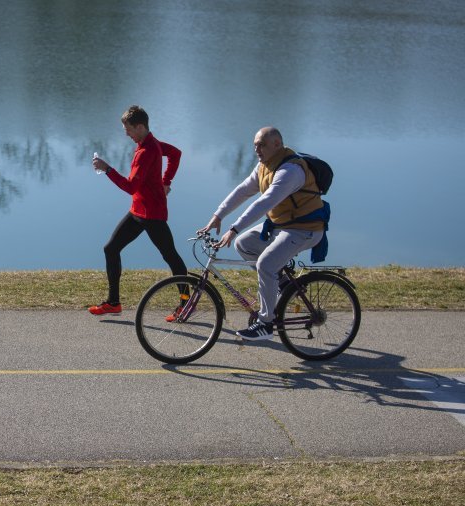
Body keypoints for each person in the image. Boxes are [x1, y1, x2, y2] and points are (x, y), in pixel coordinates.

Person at [200, 126, 326, 341]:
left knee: (265, 264)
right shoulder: (264, 165)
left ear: (277, 144)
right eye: (255, 145)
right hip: (282, 224)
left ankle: (265, 324)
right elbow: (243, 190)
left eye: (262, 145)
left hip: (305, 229)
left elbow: (264, 202)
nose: (257, 149)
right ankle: (283, 286)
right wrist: (219, 215)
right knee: (244, 244)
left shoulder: (291, 171)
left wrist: (234, 227)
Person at [89, 105, 187, 316]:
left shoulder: (148, 150)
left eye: (129, 130)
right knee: (111, 249)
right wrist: (166, 181)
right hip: (138, 212)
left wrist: (107, 169)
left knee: (171, 256)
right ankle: (113, 302)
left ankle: (186, 303)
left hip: (152, 214)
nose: (127, 134)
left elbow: (130, 186)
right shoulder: (150, 143)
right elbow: (176, 154)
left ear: (140, 127)